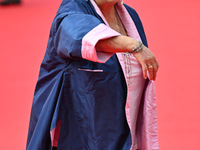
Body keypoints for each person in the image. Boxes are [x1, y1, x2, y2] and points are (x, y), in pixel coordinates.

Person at [26, 0, 159, 149]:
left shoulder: (130, 16)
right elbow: (78, 34)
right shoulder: (72, 11)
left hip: (127, 138)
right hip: (81, 138)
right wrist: (133, 46)